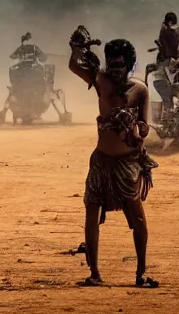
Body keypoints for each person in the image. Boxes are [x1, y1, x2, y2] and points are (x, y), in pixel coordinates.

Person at [68, 28, 159, 288]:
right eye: (112, 64)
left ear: (129, 65)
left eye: (121, 64)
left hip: (128, 163)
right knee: (91, 212)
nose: (116, 69)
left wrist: (132, 128)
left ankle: (140, 273)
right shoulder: (100, 80)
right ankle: (94, 273)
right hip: (101, 160)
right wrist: (77, 48)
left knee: (136, 215)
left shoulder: (139, 90)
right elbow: (74, 65)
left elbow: (145, 128)